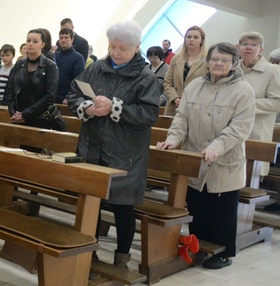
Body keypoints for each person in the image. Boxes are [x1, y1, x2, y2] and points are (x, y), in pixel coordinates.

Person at [68, 21, 159, 269]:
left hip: (126, 152)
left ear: (136, 48)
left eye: (123, 48)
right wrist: (88, 107)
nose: (116, 52)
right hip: (92, 145)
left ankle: (122, 257)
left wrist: (115, 107)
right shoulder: (96, 67)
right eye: (112, 46)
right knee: (91, 202)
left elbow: (148, 114)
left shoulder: (145, 76)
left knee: (123, 205)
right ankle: (90, 250)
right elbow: (74, 93)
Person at [157, 43, 255, 269]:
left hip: (224, 160)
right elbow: (181, 119)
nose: (219, 64)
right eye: (215, 59)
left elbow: (239, 128)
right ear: (208, 61)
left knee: (221, 209)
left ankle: (223, 253)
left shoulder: (243, 91)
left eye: (225, 60)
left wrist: (216, 147)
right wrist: (172, 140)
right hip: (196, 157)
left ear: (234, 64)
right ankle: (197, 248)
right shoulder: (194, 86)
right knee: (197, 206)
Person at [237, 31, 280, 177]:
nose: (248, 48)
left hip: (256, 129)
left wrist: (247, 106)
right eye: (244, 44)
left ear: (261, 49)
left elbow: (277, 102)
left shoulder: (272, 70)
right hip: (232, 129)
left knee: (250, 176)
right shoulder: (232, 69)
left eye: (254, 45)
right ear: (238, 48)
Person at [5, 29, 64, 129]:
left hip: (39, 118)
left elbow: (49, 96)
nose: (30, 44)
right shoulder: (19, 64)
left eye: (35, 41)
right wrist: (13, 113)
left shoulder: (50, 66)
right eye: (28, 41)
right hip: (18, 117)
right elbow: (10, 89)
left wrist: (25, 114)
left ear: (43, 44)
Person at [163, 25, 207, 116]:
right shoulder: (176, 59)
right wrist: (176, 98)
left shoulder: (207, 60)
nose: (191, 39)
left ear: (201, 40)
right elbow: (167, 82)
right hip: (174, 106)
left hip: (195, 108)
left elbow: (209, 86)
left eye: (195, 37)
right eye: (189, 37)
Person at [54, 27, 85, 103]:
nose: (63, 40)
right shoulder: (54, 56)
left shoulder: (78, 58)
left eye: (66, 37)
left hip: (66, 100)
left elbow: (78, 80)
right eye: (61, 38)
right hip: (52, 97)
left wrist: (68, 97)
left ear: (72, 39)